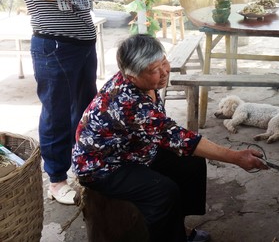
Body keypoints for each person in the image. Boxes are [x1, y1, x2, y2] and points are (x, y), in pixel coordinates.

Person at [72, 34, 268, 242]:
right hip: (104, 166)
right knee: (163, 193)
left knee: (191, 162)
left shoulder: (142, 83)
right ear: (131, 76)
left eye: (164, 62)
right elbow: (179, 138)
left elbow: (174, 137)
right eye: (154, 70)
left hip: (133, 148)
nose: (164, 71)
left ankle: (178, 228)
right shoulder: (129, 103)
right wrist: (236, 157)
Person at [15, 0, 116, 205]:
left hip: (84, 46)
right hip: (53, 47)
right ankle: (57, 179)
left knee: (85, 110)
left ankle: (82, 165)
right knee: (56, 113)